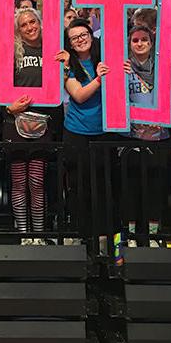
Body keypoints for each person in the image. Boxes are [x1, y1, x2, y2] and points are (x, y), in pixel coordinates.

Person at [3, 8, 61, 244]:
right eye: (24, 24)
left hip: (43, 121)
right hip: (15, 121)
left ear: (40, 22)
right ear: (18, 30)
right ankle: (23, 234)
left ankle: (38, 233)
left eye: (32, 22)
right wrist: (8, 107)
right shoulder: (11, 52)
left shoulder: (53, 51)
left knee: (37, 180)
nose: (29, 27)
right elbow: (2, 89)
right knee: (18, 181)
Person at [55, 19, 109, 240]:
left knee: (104, 188)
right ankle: (81, 236)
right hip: (77, 133)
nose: (80, 40)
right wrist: (99, 79)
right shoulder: (66, 66)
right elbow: (78, 95)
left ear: (91, 34)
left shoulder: (104, 58)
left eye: (84, 34)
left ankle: (104, 237)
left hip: (105, 132)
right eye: (74, 38)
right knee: (80, 188)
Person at [121, 25, 171, 246]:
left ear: (151, 43)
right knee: (130, 188)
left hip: (159, 136)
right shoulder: (122, 67)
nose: (139, 44)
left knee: (155, 187)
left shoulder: (163, 67)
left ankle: (152, 235)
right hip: (130, 136)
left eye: (144, 40)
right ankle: (131, 235)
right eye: (135, 40)